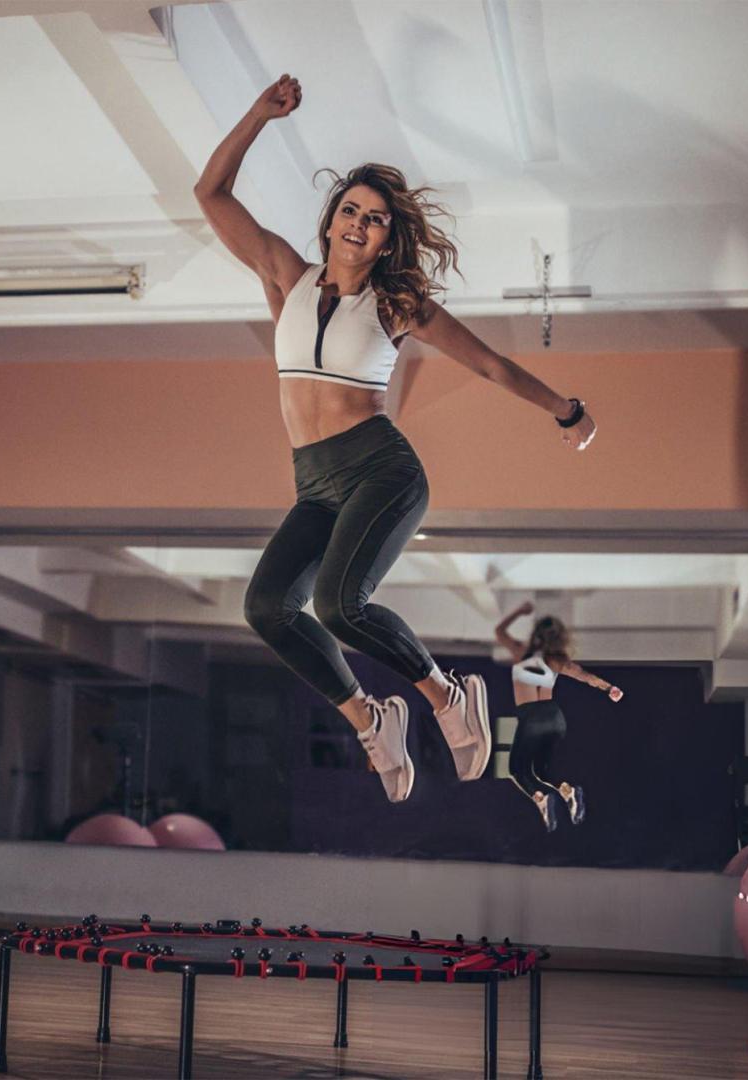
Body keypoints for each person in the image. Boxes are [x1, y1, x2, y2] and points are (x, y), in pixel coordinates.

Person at [194, 74, 598, 804]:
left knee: (342, 605)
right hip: (313, 479)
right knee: (266, 608)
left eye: (376, 219)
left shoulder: (397, 302)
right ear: (329, 222)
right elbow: (211, 195)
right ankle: (369, 716)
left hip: (380, 468)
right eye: (350, 210)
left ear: (388, 239)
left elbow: (489, 362)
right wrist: (259, 113)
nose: (359, 223)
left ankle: (447, 697)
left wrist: (565, 408)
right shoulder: (285, 274)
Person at [495, 601, 623, 830]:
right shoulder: (557, 660)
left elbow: (499, 631)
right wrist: (609, 688)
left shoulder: (521, 651)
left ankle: (542, 798)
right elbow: (586, 676)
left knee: (517, 769)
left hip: (531, 716)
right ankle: (568, 792)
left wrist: (519, 611)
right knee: (544, 770)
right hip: (555, 718)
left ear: (535, 634)